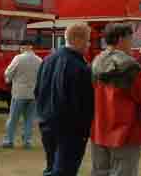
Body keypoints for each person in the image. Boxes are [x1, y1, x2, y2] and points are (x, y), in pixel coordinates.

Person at [91, 23, 141, 176]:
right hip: (125, 131)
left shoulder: (96, 62)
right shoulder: (129, 65)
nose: (132, 43)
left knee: (99, 172)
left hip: (100, 129)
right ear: (121, 39)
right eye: (130, 38)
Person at [34, 22, 94, 176]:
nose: (89, 44)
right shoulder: (79, 67)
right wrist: (85, 128)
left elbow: (37, 91)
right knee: (64, 170)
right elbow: (84, 102)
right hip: (70, 129)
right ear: (77, 39)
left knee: (51, 167)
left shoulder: (47, 60)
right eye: (88, 40)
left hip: (47, 122)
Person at [0, 41, 42, 149]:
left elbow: (8, 73)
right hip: (33, 94)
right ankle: (27, 141)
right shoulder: (39, 60)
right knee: (29, 120)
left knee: (13, 118)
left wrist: (8, 79)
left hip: (19, 93)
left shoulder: (18, 58)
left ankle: (8, 140)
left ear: (23, 47)